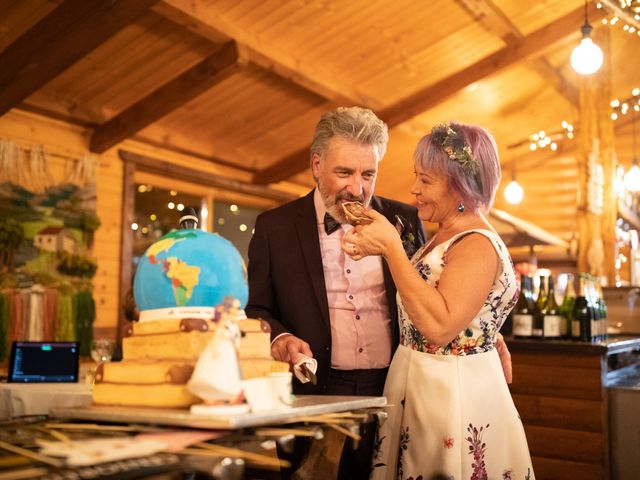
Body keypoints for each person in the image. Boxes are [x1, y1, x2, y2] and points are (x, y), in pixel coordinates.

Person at [341, 122, 534, 479]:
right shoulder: (444, 235)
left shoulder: (476, 244)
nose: (414, 188)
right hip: (418, 383)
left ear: (462, 185)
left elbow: (441, 327)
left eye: (426, 180)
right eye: (417, 176)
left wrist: (391, 249)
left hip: (450, 392)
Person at [246, 106, 426, 479]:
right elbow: (257, 308)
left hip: (393, 388)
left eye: (368, 174)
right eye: (343, 172)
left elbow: (426, 296)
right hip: (313, 392)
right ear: (316, 165)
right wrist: (279, 336)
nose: (357, 189)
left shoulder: (405, 220)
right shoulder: (273, 227)